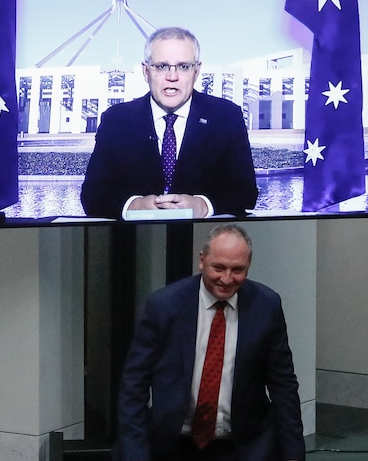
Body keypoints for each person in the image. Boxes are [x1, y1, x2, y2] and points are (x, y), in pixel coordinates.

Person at [115, 224, 306, 461]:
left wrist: (294, 454)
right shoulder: (163, 306)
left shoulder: (266, 306)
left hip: (244, 445)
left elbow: (283, 385)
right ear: (202, 260)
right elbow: (134, 384)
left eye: (238, 270)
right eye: (219, 268)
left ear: (249, 266)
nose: (226, 279)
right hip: (172, 444)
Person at [80, 27, 259, 220]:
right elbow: (92, 195)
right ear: (146, 71)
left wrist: (203, 206)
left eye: (183, 66)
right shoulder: (116, 120)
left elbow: (246, 192)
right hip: (135, 243)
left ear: (196, 71)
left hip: (203, 241)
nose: (172, 77)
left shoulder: (226, 117)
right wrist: (134, 206)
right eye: (161, 66)